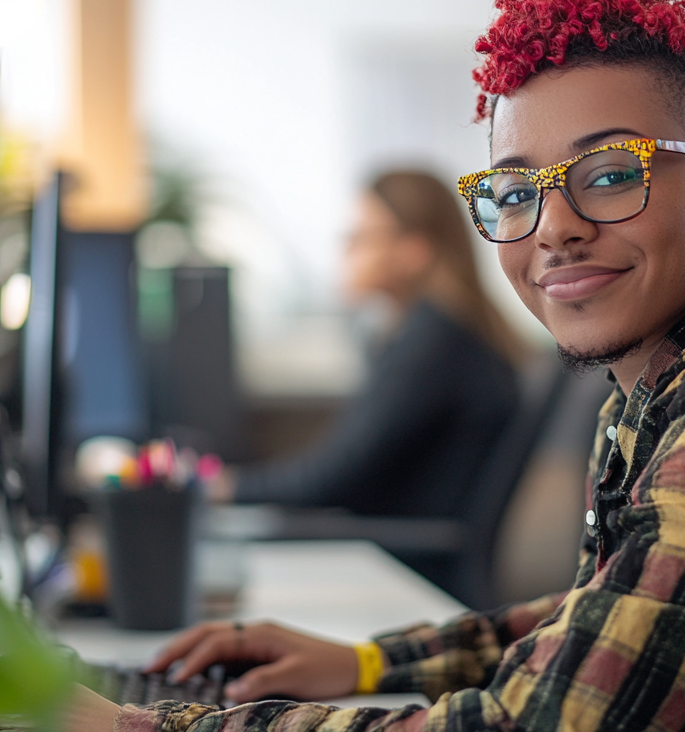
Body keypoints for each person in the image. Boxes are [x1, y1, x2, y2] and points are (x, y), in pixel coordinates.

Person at [67, 0, 685, 732]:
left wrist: (149, 725)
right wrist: (362, 660)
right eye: (516, 192)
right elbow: (608, 620)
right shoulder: (661, 385)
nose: (553, 228)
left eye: (610, 173)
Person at [216, 170, 521, 518]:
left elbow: (329, 480)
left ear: (413, 251)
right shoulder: (435, 331)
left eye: (359, 239)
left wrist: (223, 487)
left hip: (404, 557)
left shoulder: (432, 343)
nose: (345, 251)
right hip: (393, 542)